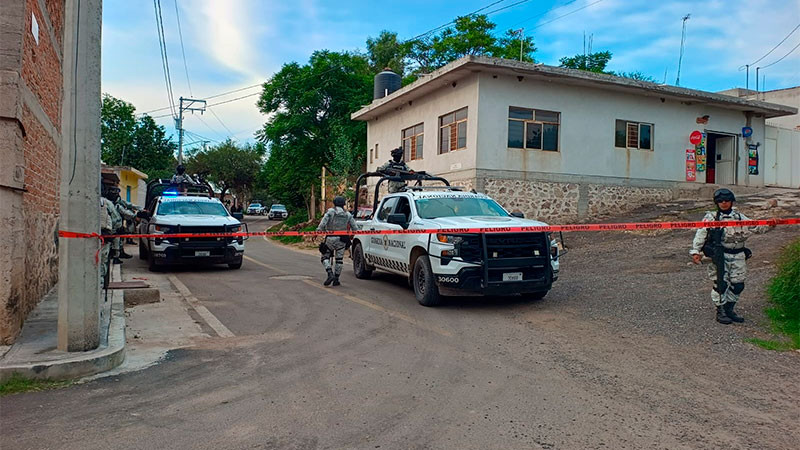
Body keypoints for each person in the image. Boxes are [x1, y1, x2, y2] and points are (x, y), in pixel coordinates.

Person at [690, 188, 773, 324]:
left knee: (738, 284)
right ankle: (720, 310)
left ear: (732, 201)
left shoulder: (739, 216)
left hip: (739, 254)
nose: (724, 203)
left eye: (727, 200)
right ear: (716, 202)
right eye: (721, 201)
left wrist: (771, 223)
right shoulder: (711, 218)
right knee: (720, 285)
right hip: (721, 255)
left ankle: (729, 308)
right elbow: (701, 234)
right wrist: (695, 251)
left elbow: (755, 227)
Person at [316, 195, 359, 286]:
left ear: (334, 203)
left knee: (325, 257)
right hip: (342, 240)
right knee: (339, 260)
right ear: (343, 204)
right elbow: (355, 228)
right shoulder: (347, 214)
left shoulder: (330, 212)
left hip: (330, 238)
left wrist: (318, 231)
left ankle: (329, 273)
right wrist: (351, 235)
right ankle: (336, 279)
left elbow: (323, 223)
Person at [100, 183, 123, 284]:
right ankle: (100, 286)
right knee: (101, 263)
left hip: (85, 237)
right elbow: (116, 219)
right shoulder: (106, 203)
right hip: (104, 236)